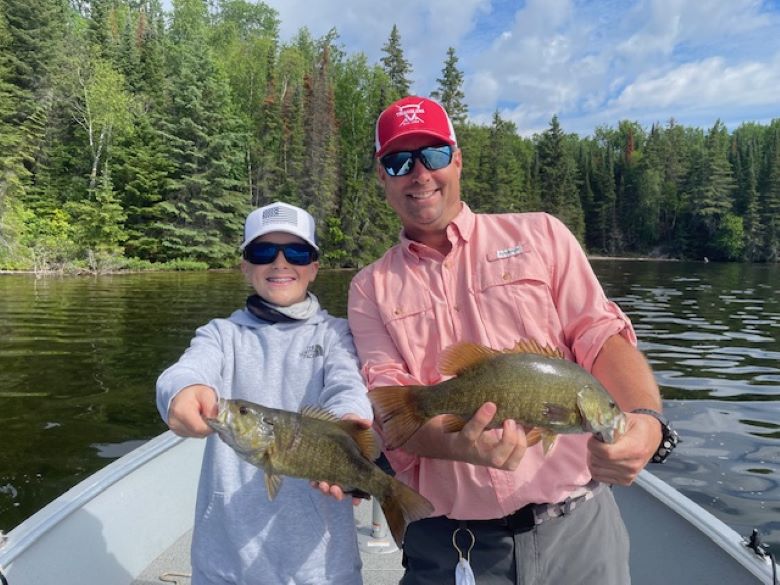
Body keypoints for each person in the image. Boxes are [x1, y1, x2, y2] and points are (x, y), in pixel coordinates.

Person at [347, 96, 676, 584]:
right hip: (452, 545)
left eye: (433, 155)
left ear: (457, 159)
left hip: (578, 533)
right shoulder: (368, 288)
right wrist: (462, 445)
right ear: (382, 176)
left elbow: (601, 337)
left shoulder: (542, 234)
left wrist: (646, 423)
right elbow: (393, 412)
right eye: (399, 161)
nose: (419, 174)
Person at [156, 201, 373, 585]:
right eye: (262, 252)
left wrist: (349, 420)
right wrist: (182, 391)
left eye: (296, 252)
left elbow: (346, 385)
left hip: (322, 569)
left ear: (314, 268)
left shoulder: (336, 334)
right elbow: (189, 369)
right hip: (225, 565)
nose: (279, 262)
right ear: (244, 266)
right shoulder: (221, 335)